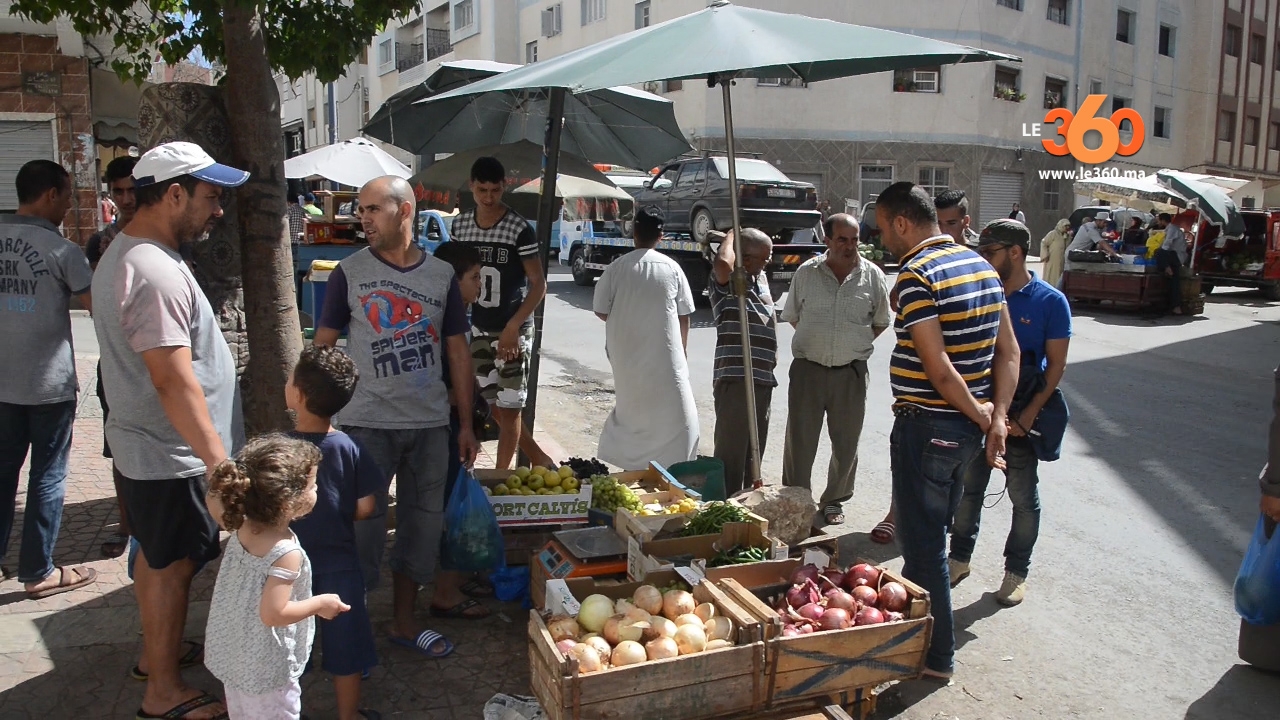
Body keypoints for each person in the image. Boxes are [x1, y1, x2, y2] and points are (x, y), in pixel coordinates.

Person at [92, 140, 248, 720]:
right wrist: (218, 465)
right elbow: (172, 380)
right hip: (170, 454)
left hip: (150, 448)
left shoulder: (136, 251)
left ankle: (153, 655)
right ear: (175, 193)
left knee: (157, 559)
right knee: (173, 566)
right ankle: (163, 690)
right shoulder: (153, 270)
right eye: (210, 197)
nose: (218, 210)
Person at [314, 175, 481, 656]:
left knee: (422, 526)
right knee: (362, 529)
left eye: (371, 209)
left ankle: (404, 622)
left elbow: (457, 352)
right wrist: (315, 423)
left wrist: (465, 424)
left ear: (404, 211)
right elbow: (322, 348)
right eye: (360, 210)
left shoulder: (440, 277)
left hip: (429, 427)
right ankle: (354, 625)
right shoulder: (349, 271)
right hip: (365, 425)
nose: (361, 218)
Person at [876, 181, 1019, 681]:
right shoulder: (981, 266)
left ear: (901, 222)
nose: (884, 242)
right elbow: (1009, 353)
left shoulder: (917, 274)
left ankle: (936, 658)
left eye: (882, 229)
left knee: (924, 548)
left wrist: (988, 419)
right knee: (931, 537)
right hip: (965, 435)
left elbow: (938, 369)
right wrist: (995, 417)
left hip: (929, 428)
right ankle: (917, 644)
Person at [949, 220, 1071, 607]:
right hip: (980, 411)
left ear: (1014, 253)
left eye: (990, 253)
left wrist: (1029, 414)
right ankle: (959, 559)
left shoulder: (1051, 302)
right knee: (969, 492)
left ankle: (1016, 572)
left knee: (1022, 497)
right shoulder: (982, 292)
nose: (983, 260)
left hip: (1020, 419)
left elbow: (1055, 366)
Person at [0, 159, 98, 598]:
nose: (68, 205)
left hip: (2, 385)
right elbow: (99, 306)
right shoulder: (62, 251)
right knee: (47, 476)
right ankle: (39, 571)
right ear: (50, 196)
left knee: (3, 473)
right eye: (67, 196)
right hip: (48, 388)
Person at [204, 434, 350, 720]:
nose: (316, 488)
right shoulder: (286, 552)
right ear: (289, 501)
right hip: (263, 665)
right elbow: (274, 613)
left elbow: (213, 497)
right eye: (312, 484)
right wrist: (320, 604)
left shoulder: (239, 522)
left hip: (235, 655)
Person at [286, 346, 386, 720]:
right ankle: (349, 715)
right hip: (339, 563)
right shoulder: (348, 446)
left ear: (297, 394)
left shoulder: (279, 448)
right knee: (347, 644)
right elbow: (365, 507)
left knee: (288, 645)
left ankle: (287, 711)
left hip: (287, 563)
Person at [780, 213, 891, 528]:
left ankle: (834, 500)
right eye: (842, 239)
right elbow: (793, 314)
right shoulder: (806, 273)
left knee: (846, 441)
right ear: (827, 240)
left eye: (855, 239)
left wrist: (851, 345)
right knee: (800, 440)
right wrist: (819, 343)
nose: (850, 246)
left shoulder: (872, 276)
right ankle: (797, 498)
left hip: (850, 373)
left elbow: (881, 321)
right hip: (808, 371)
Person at [450, 157, 554, 469]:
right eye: (482, 190)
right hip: (478, 328)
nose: (488, 197)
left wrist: (514, 326)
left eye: (495, 190)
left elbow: (538, 285)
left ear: (503, 187)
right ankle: (539, 458)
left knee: (510, 408)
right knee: (492, 404)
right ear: (471, 186)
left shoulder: (518, 228)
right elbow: (455, 279)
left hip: (513, 329)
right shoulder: (460, 226)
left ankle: (501, 478)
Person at [593, 206, 699, 469]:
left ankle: (632, 467)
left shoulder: (615, 268)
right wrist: (682, 350)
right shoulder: (672, 268)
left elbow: (601, 310)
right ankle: (668, 473)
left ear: (634, 233)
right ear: (661, 236)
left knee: (632, 412)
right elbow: (684, 315)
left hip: (626, 356)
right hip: (667, 358)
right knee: (679, 419)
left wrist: (627, 323)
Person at [86, 155, 138, 559]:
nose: (124, 198)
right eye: (117, 191)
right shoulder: (100, 242)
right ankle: (126, 523)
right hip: (116, 361)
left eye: (131, 189)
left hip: (156, 357)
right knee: (118, 445)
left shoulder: (169, 238)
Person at [709, 227, 777, 495]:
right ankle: (724, 510)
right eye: (764, 257)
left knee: (753, 458)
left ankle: (745, 510)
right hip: (737, 379)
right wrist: (731, 235)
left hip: (761, 378)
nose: (768, 263)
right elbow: (724, 263)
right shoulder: (728, 284)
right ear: (744, 259)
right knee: (731, 456)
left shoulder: (759, 278)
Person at [1154, 213, 1188, 316]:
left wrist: (1162, 260)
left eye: (1158, 220)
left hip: (1177, 257)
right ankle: (1175, 307)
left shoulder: (1172, 229)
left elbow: (1166, 245)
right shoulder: (1169, 229)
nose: (1158, 222)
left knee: (1158, 252)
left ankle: (1167, 268)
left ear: (1163, 220)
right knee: (1173, 282)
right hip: (1173, 256)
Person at [1039, 218, 1070, 288]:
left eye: (1068, 226)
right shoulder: (1053, 234)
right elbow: (1044, 243)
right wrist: (1045, 255)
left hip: (1062, 262)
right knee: (1051, 276)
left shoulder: (1067, 236)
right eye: (1066, 226)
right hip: (1052, 260)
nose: (1067, 228)